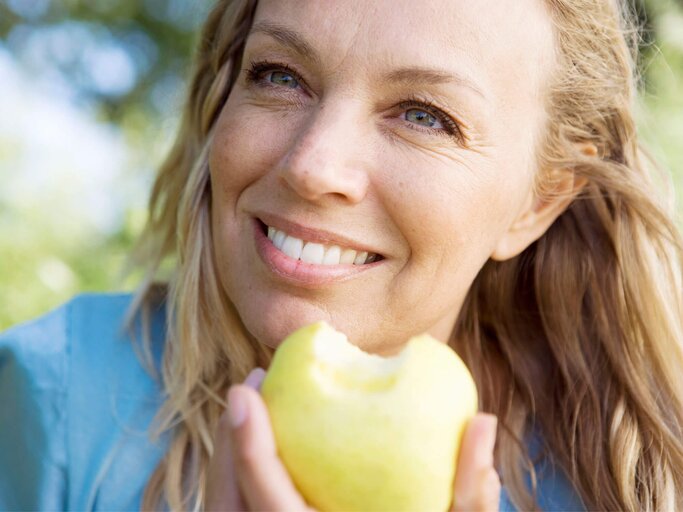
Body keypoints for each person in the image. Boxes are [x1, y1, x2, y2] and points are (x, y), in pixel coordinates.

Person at [1, 0, 682, 510]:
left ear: (540, 201)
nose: (312, 165)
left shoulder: (630, 483)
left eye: (423, 115)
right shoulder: (51, 399)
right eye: (278, 76)